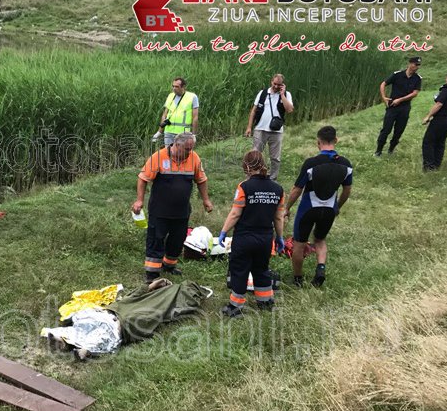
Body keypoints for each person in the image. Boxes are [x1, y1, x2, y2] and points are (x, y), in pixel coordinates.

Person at [132, 132, 213, 283]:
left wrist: (206, 200)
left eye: (191, 149)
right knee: (156, 239)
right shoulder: (158, 157)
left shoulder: (194, 158)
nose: (190, 152)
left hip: (181, 211)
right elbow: (143, 178)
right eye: (187, 149)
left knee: (178, 239)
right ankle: (152, 273)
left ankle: (169, 266)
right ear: (177, 145)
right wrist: (139, 200)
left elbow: (201, 180)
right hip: (160, 210)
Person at [217, 150, 285, 317]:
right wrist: (280, 237)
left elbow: (235, 214)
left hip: (245, 237)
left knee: (240, 270)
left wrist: (224, 232)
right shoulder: (278, 189)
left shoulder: (244, 187)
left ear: (246, 167)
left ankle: (235, 307)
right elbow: (278, 217)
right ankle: (265, 302)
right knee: (261, 269)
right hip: (265, 238)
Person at [284, 126, 352, 288]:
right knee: (320, 239)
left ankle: (298, 279)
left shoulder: (311, 164)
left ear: (318, 143)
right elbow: (347, 190)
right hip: (329, 209)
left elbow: (296, 190)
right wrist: (337, 206)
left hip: (308, 209)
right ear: (336, 141)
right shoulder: (345, 164)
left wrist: (287, 208)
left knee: (299, 244)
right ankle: (320, 269)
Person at [244, 73, 294, 180]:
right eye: (274, 84)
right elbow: (254, 110)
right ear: (271, 81)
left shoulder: (286, 94)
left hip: (276, 131)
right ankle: (252, 176)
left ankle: (272, 178)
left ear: (282, 85)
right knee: (255, 155)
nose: (276, 86)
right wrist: (249, 127)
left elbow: (289, 109)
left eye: (279, 85)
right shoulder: (262, 93)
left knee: (275, 157)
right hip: (260, 129)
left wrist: (282, 95)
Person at [375, 56, 423, 157]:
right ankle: (378, 151)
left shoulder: (417, 78)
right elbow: (383, 84)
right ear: (410, 64)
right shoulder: (397, 75)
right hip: (392, 107)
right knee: (386, 129)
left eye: (418, 65)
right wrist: (384, 97)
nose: (417, 67)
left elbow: (415, 93)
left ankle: (391, 149)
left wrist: (400, 100)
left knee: (399, 130)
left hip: (404, 108)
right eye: (415, 64)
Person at [421, 72, 447, 171]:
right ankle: (436, 164)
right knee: (440, 142)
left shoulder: (446, 89)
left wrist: (428, 116)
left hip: (440, 119)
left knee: (428, 142)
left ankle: (429, 167)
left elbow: (439, 104)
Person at [152, 77, 199, 146]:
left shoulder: (192, 97)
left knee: (181, 154)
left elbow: (195, 117)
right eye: (173, 86)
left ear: (183, 87)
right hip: (168, 131)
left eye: (177, 86)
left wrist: (194, 134)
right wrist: (159, 132)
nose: (174, 88)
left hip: (183, 133)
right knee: (169, 153)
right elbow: (164, 115)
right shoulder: (170, 96)